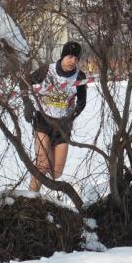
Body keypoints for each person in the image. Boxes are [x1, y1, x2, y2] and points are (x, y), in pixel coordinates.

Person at [25, 41, 87, 192]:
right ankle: (31, 199)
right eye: (70, 56)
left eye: (76, 58)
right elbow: (25, 83)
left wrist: (70, 117)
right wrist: (27, 105)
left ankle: (43, 161)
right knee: (42, 165)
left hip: (63, 126)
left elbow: (82, 102)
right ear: (63, 56)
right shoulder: (47, 69)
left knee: (55, 173)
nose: (73, 61)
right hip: (43, 120)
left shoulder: (79, 76)